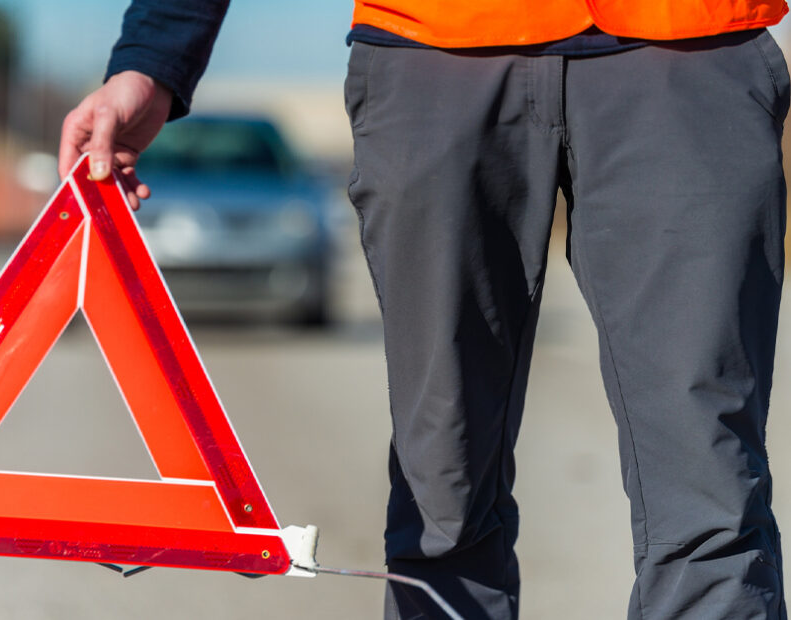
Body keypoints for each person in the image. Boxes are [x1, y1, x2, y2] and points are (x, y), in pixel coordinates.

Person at [59, 1, 791, 617]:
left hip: (692, 44)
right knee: (443, 485)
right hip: (434, 49)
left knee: (712, 492)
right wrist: (154, 54)